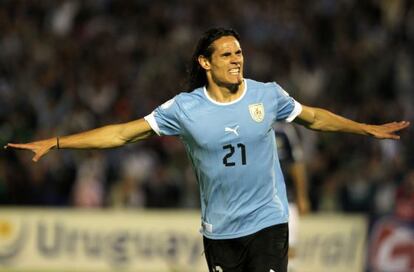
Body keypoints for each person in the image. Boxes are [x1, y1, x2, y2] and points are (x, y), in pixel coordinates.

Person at [5, 28, 409, 272]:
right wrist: (58, 142)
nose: (237, 59)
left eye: (239, 52)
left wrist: (366, 129)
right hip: (219, 232)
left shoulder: (267, 95)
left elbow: (315, 118)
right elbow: (122, 135)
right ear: (205, 62)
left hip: (268, 222)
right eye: (227, 54)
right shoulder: (185, 109)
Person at [273, 122, 309, 272]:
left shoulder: (284, 131)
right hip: (259, 200)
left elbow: (297, 164)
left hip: (286, 199)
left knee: (290, 248)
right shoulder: (249, 127)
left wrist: (302, 196)